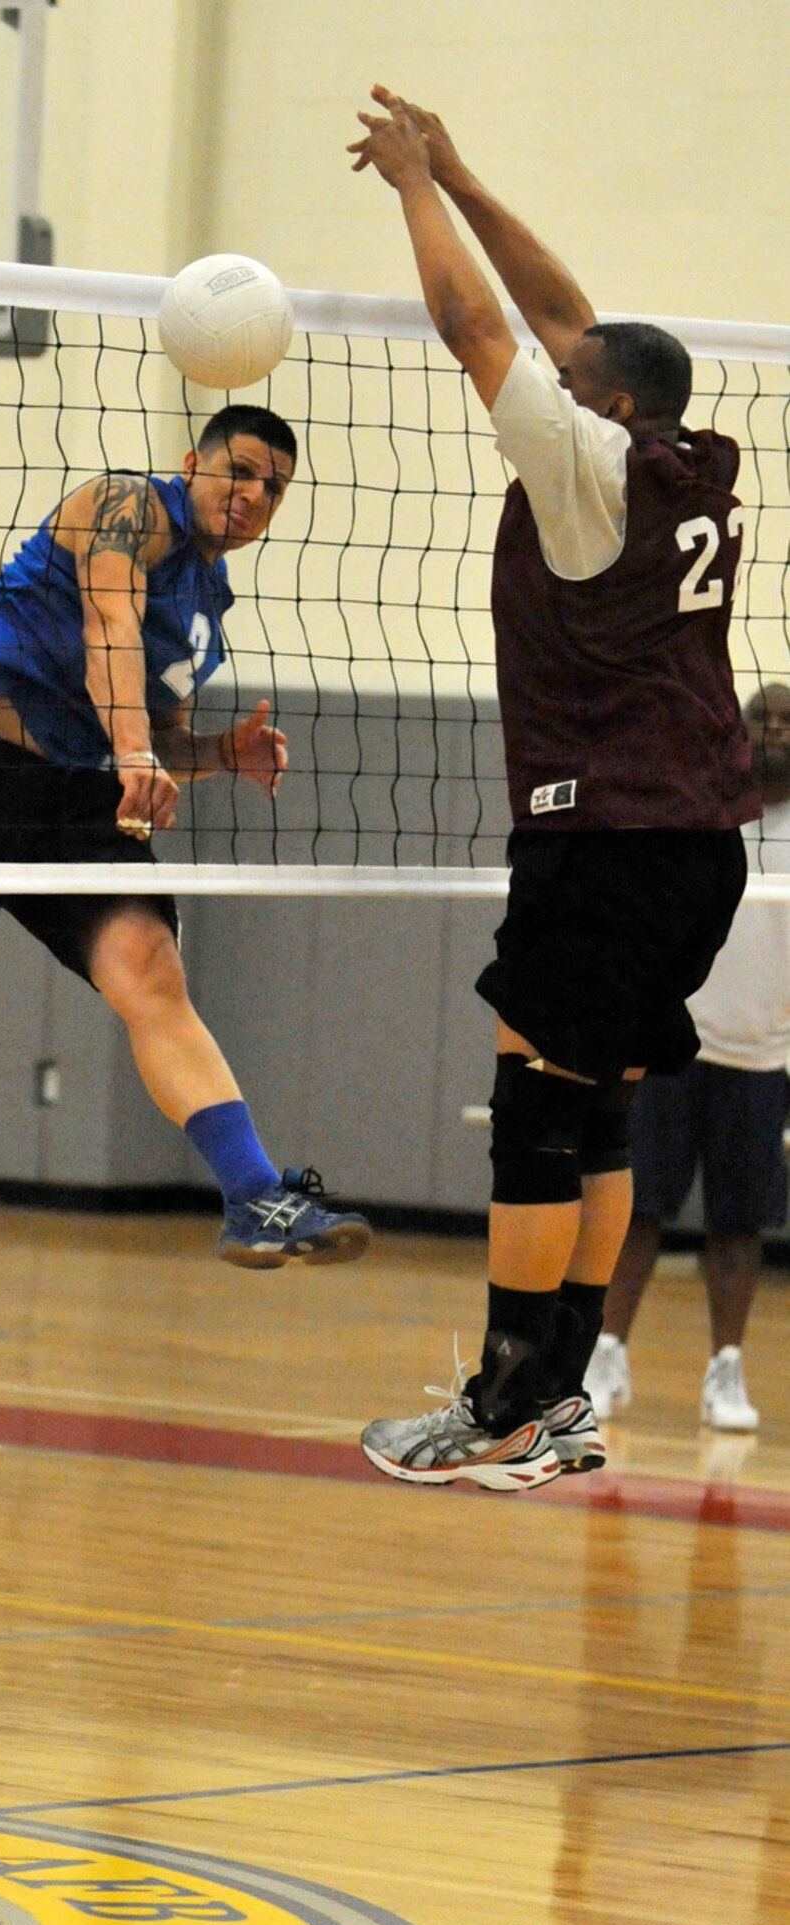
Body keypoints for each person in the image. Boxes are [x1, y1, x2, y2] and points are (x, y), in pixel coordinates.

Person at [349, 89, 756, 1490]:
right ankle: (557, 1403)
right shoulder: (684, 458)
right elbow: (567, 319)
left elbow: (478, 327)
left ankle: (507, 1410)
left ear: (609, 405)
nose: (552, 373)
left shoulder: (585, 464)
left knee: (537, 1107)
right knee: (597, 1112)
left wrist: (411, 188)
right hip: (697, 842)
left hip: (610, 837)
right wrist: (460, 171)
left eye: (574, 378)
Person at [0, 405, 372, 1357]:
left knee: (149, 968)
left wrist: (217, 754)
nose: (252, 495)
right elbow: (109, 628)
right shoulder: (124, 506)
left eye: (274, 487)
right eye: (238, 471)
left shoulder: (205, 609)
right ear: (191, 462)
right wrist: (140, 754)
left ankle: (252, 1195)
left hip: (73, 789)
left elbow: (143, 727)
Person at [588, 684, 790, 1433]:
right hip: (676, 1045)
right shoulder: (703, 811)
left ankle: (725, 1372)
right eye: (763, 718)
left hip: (761, 1059)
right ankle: (605, 1354)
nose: (775, 731)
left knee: (738, 1225)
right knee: (637, 1209)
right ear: (739, 731)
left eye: (788, 722)